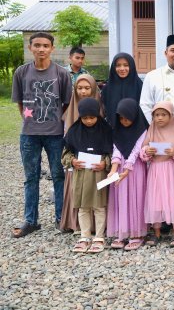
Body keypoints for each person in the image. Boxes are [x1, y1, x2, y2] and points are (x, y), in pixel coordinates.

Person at [11, 32, 72, 238]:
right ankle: (31, 220)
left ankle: (60, 218)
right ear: (30, 48)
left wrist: (56, 123)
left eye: (45, 45)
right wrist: (29, 121)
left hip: (55, 134)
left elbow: (66, 103)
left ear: (52, 48)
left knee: (58, 175)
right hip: (29, 134)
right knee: (31, 177)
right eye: (37, 45)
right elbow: (20, 101)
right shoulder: (21, 72)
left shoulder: (61, 74)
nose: (41, 49)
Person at [62, 98, 113, 253]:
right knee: (83, 207)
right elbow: (65, 154)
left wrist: (105, 163)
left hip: (99, 175)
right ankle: (84, 236)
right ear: (80, 117)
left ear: (98, 115)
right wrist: (73, 161)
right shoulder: (74, 131)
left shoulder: (106, 130)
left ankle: (99, 236)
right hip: (81, 175)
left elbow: (113, 153)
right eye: (85, 118)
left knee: (99, 206)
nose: (89, 121)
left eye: (92, 117)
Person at [140, 102, 174, 247]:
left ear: (171, 115)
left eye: (163, 114)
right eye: (156, 115)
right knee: (156, 200)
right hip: (156, 170)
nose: (160, 118)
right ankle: (156, 233)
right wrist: (147, 151)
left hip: (172, 170)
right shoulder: (151, 130)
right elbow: (142, 150)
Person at [61, 74, 103, 234]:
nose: (83, 91)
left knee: (98, 196)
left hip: (97, 165)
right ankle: (77, 224)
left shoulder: (100, 110)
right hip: (77, 163)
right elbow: (67, 145)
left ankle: (98, 227)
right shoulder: (71, 110)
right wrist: (71, 160)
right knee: (77, 190)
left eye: (87, 88)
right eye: (79, 88)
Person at [106, 98, 149, 251]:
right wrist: (113, 168)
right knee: (120, 199)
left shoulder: (142, 129)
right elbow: (116, 148)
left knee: (135, 198)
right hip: (120, 168)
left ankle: (136, 233)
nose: (124, 121)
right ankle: (121, 232)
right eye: (121, 118)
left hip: (135, 167)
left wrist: (127, 168)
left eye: (127, 118)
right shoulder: (116, 129)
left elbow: (137, 150)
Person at [101, 53, 143, 128]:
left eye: (126, 65)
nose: (122, 69)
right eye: (118, 65)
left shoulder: (140, 86)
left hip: (136, 130)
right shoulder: (107, 88)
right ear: (113, 67)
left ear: (132, 66)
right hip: (113, 131)